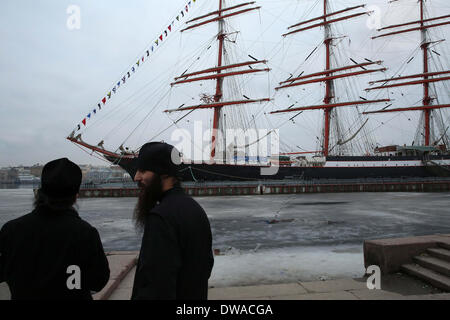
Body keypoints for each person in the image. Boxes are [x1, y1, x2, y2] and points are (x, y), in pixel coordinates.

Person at [0, 158, 110, 300]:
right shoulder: (85, 233)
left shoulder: (10, 230)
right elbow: (98, 281)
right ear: (75, 196)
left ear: (39, 193)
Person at [131, 142, 214, 300]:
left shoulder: (161, 217)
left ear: (164, 173)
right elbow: (206, 266)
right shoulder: (196, 209)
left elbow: (155, 286)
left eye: (143, 170)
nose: (136, 177)